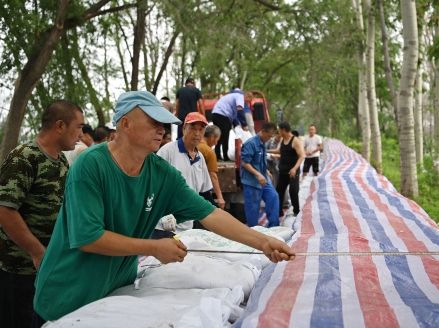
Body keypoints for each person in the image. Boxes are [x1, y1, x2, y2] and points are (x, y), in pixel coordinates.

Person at [32, 91, 295, 325]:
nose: (162, 130)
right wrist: (154, 247)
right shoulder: (90, 166)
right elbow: (89, 238)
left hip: (112, 295)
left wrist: (262, 242)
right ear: (124, 123)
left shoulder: (161, 174)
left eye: (164, 124)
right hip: (66, 296)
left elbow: (211, 214)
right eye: (153, 122)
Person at [0, 100, 84, 328]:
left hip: (47, 269)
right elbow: (5, 210)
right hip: (19, 270)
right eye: (78, 127)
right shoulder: (25, 157)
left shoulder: (61, 162)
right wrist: (37, 252)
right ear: (60, 126)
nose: (81, 134)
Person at [156, 112, 213, 234]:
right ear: (183, 129)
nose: (197, 133)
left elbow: (203, 192)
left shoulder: (200, 157)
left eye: (201, 129)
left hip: (187, 225)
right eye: (192, 128)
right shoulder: (167, 151)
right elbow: (154, 186)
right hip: (163, 225)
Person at [240, 122, 280, 227]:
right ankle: (254, 232)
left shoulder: (263, 143)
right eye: (269, 135)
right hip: (252, 181)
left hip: (263, 179)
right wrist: (257, 174)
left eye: (272, 136)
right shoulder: (251, 143)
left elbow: (260, 161)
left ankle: (274, 227)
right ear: (262, 131)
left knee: (273, 197)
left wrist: (265, 171)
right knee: (253, 209)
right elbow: (245, 163)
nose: (270, 138)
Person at [273, 121, 305, 217]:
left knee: (293, 191)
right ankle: (279, 212)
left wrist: (295, 168)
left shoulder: (295, 141)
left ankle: (296, 211)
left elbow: (302, 156)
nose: (278, 132)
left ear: (283, 130)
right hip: (283, 170)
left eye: (279, 130)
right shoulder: (282, 140)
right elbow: (279, 151)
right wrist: (266, 150)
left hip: (293, 171)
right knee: (279, 191)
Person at [212, 91, 253, 161]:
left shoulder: (234, 98)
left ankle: (217, 156)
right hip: (222, 114)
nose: (247, 103)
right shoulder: (240, 97)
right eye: (248, 101)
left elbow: (234, 116)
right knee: (225, 136)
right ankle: (225, 157)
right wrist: (244, 124)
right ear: (247, 96)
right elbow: (240, 110)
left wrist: (236, 125)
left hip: (216, 113)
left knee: (220, 136)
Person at [198, 125, 225, 209]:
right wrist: (220, 197)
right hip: (202, 188)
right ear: (212, 137)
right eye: (217, 140)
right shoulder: (208, 151)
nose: (216, 143)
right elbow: (213, 175)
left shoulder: (192, 146)